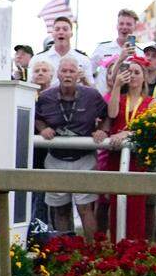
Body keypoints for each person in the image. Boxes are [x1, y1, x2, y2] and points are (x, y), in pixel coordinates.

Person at [35, 57, 108, 239]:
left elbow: (107, 115)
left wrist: (102, 130)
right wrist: (43, 128)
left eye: (72, 71)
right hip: (56, 158)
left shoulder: (92, 95)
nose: (68, 75)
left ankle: (91, 250)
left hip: (84, 158)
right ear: (58, 74)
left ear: (78, 74)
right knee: (60, 209)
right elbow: (36, 117)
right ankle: (65, 249)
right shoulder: (45, 97)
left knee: (85, 208)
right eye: (64, 71)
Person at [103, 55, 156, 240]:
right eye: (130, 72)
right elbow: (112, 113)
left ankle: (136, 247)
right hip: (116, 155)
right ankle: (116, 245)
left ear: (144, 77)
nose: (133, 76)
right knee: (116, 202)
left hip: (138, 159)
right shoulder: (120, 97)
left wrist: (128, 133)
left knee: (136, 203)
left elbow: (151, 130)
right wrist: (117, 85)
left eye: (137, 72)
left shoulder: (152, 102)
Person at [28, 17, 93, 87]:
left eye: (65, 29)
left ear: (71, 33)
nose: (61, 32)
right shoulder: (38, 59)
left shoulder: (83, 59)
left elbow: (92, 88)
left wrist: (84, 79)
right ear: (52, 33)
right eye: (57, 29)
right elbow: (29, 85)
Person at [90, 9, 139, 94]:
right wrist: (94, 89)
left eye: (128, 24)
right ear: (117, 26)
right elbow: (89, 72)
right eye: (121, 23)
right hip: (103, 98)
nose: (124, 27)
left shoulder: (140, 53)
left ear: (135, 27)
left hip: (127, 99)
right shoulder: (102, 48)